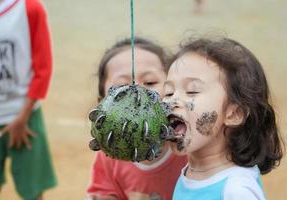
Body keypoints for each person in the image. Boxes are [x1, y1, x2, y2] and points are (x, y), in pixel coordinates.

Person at [163, 37, 284, 200]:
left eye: (192, 91)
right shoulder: (192, 171)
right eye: (168, 92)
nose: (171, 101)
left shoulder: (236, 191)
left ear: (234, 114)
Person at [87, 37, 188, 200]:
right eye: (121, 87)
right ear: (102, 106)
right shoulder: (109, 156)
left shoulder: (190, 147)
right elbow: (104, 193)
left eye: (149, 82)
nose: (137, 95)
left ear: (172, 91)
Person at [0, 0, 57, 199]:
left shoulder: (29, 8)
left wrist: (22, 117)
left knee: (32, 191)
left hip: (24, 117)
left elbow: (43, 68)